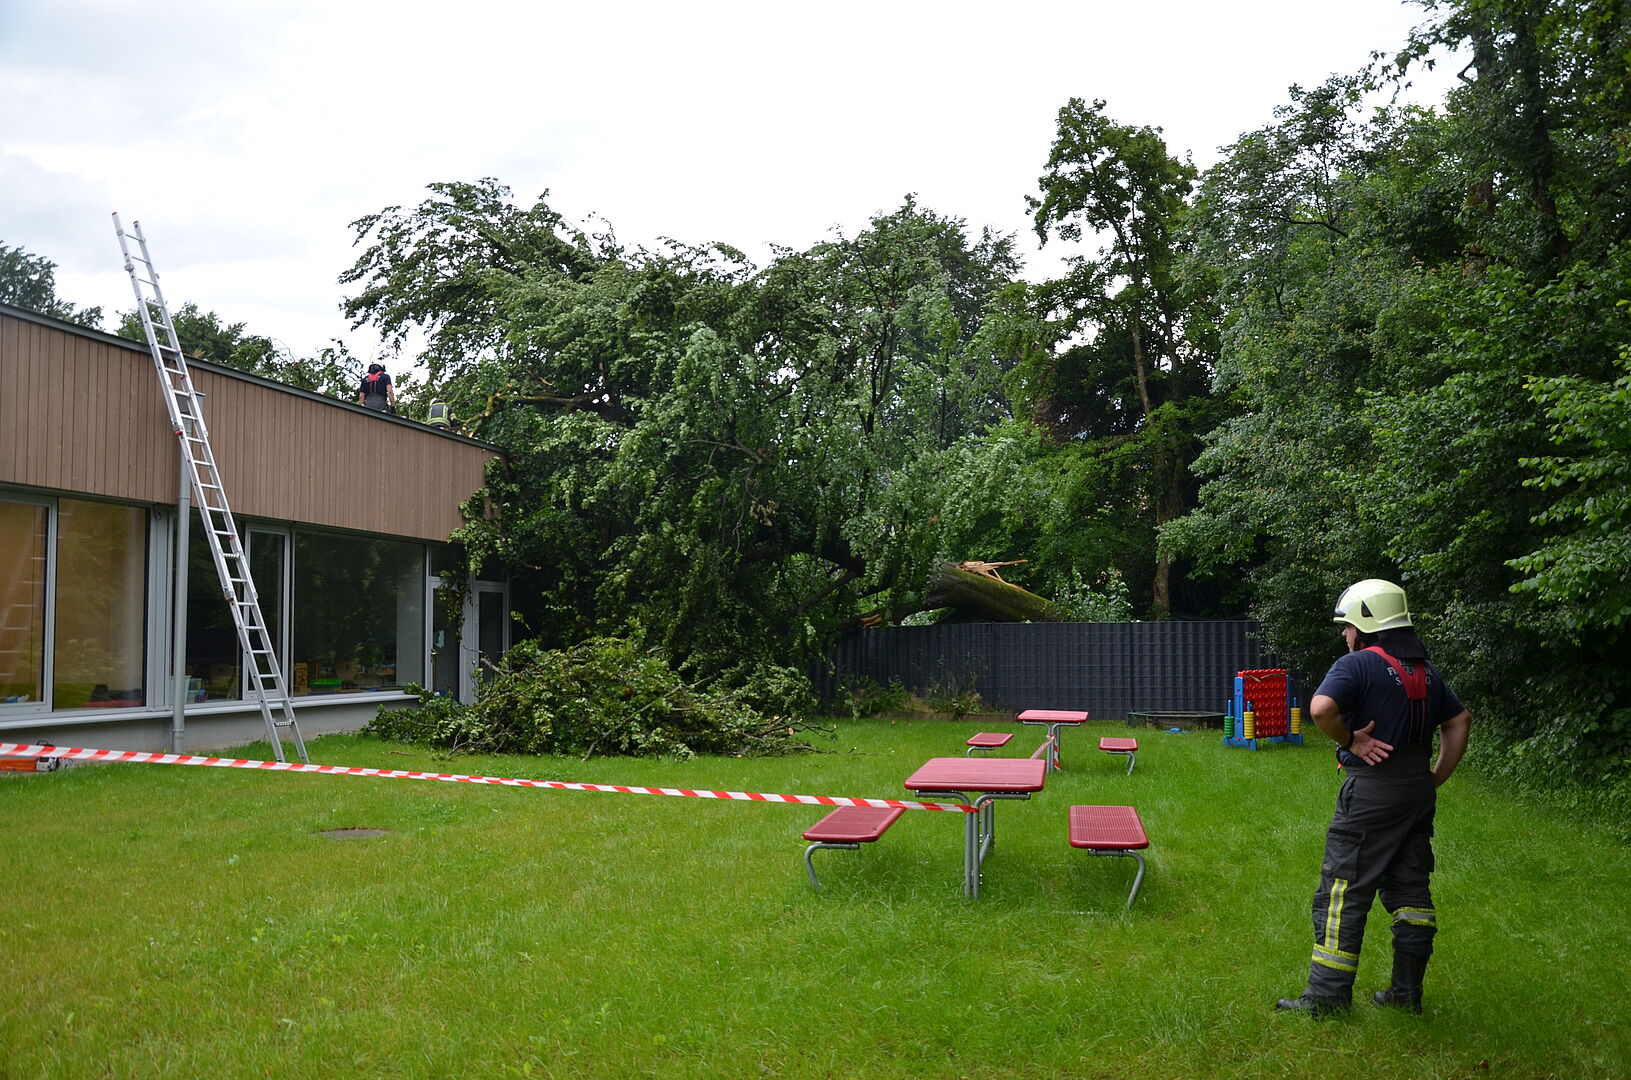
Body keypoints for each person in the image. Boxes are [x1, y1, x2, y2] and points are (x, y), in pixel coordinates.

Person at [1276, 578, 1473, 1017]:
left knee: (1342, 888)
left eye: (1347, 626)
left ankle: (1326, 998)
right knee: (1411, 890)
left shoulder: (1358, 665)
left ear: (1366, 622)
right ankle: (1406, 994)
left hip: (1373, 791)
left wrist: (1352, 741)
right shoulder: (1424, 670)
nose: (1345, 634)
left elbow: (1321, 710)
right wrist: (1436, 775)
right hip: (1416, 792)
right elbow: (1459, 720)